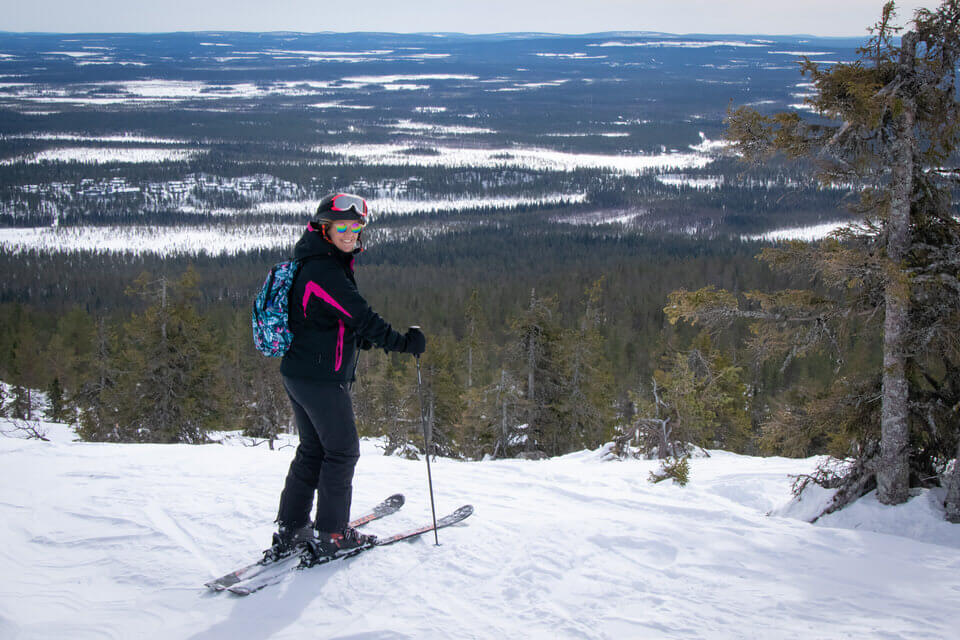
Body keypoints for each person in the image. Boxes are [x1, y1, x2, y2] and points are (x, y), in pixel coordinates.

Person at [266, 192, 426, 561]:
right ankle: (333, 535)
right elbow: (361, 316)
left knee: (313, 450)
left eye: (357, 226)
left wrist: (359, 341)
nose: (351, 233)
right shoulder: (323, 270)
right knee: (342, 451)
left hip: (302, 371)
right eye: (343, 226)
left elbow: (328, 319)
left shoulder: (320, 261)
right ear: (325, 227)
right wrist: (403, 344)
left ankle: (291, 529)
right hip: (319, 379)